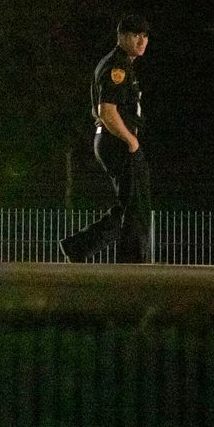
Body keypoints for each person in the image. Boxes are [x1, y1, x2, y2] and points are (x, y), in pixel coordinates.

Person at [60, 14, 153, 263]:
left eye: (145, 36)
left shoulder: (121, 64)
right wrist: (131, 142)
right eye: (136, 35)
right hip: (118, 141)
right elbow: (107, 111)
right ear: (121, 36)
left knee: (131, 205)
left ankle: (79, 247)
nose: (142, 41)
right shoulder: (116, 67)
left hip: (114, 140)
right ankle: (131, 263)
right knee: (136, 206)